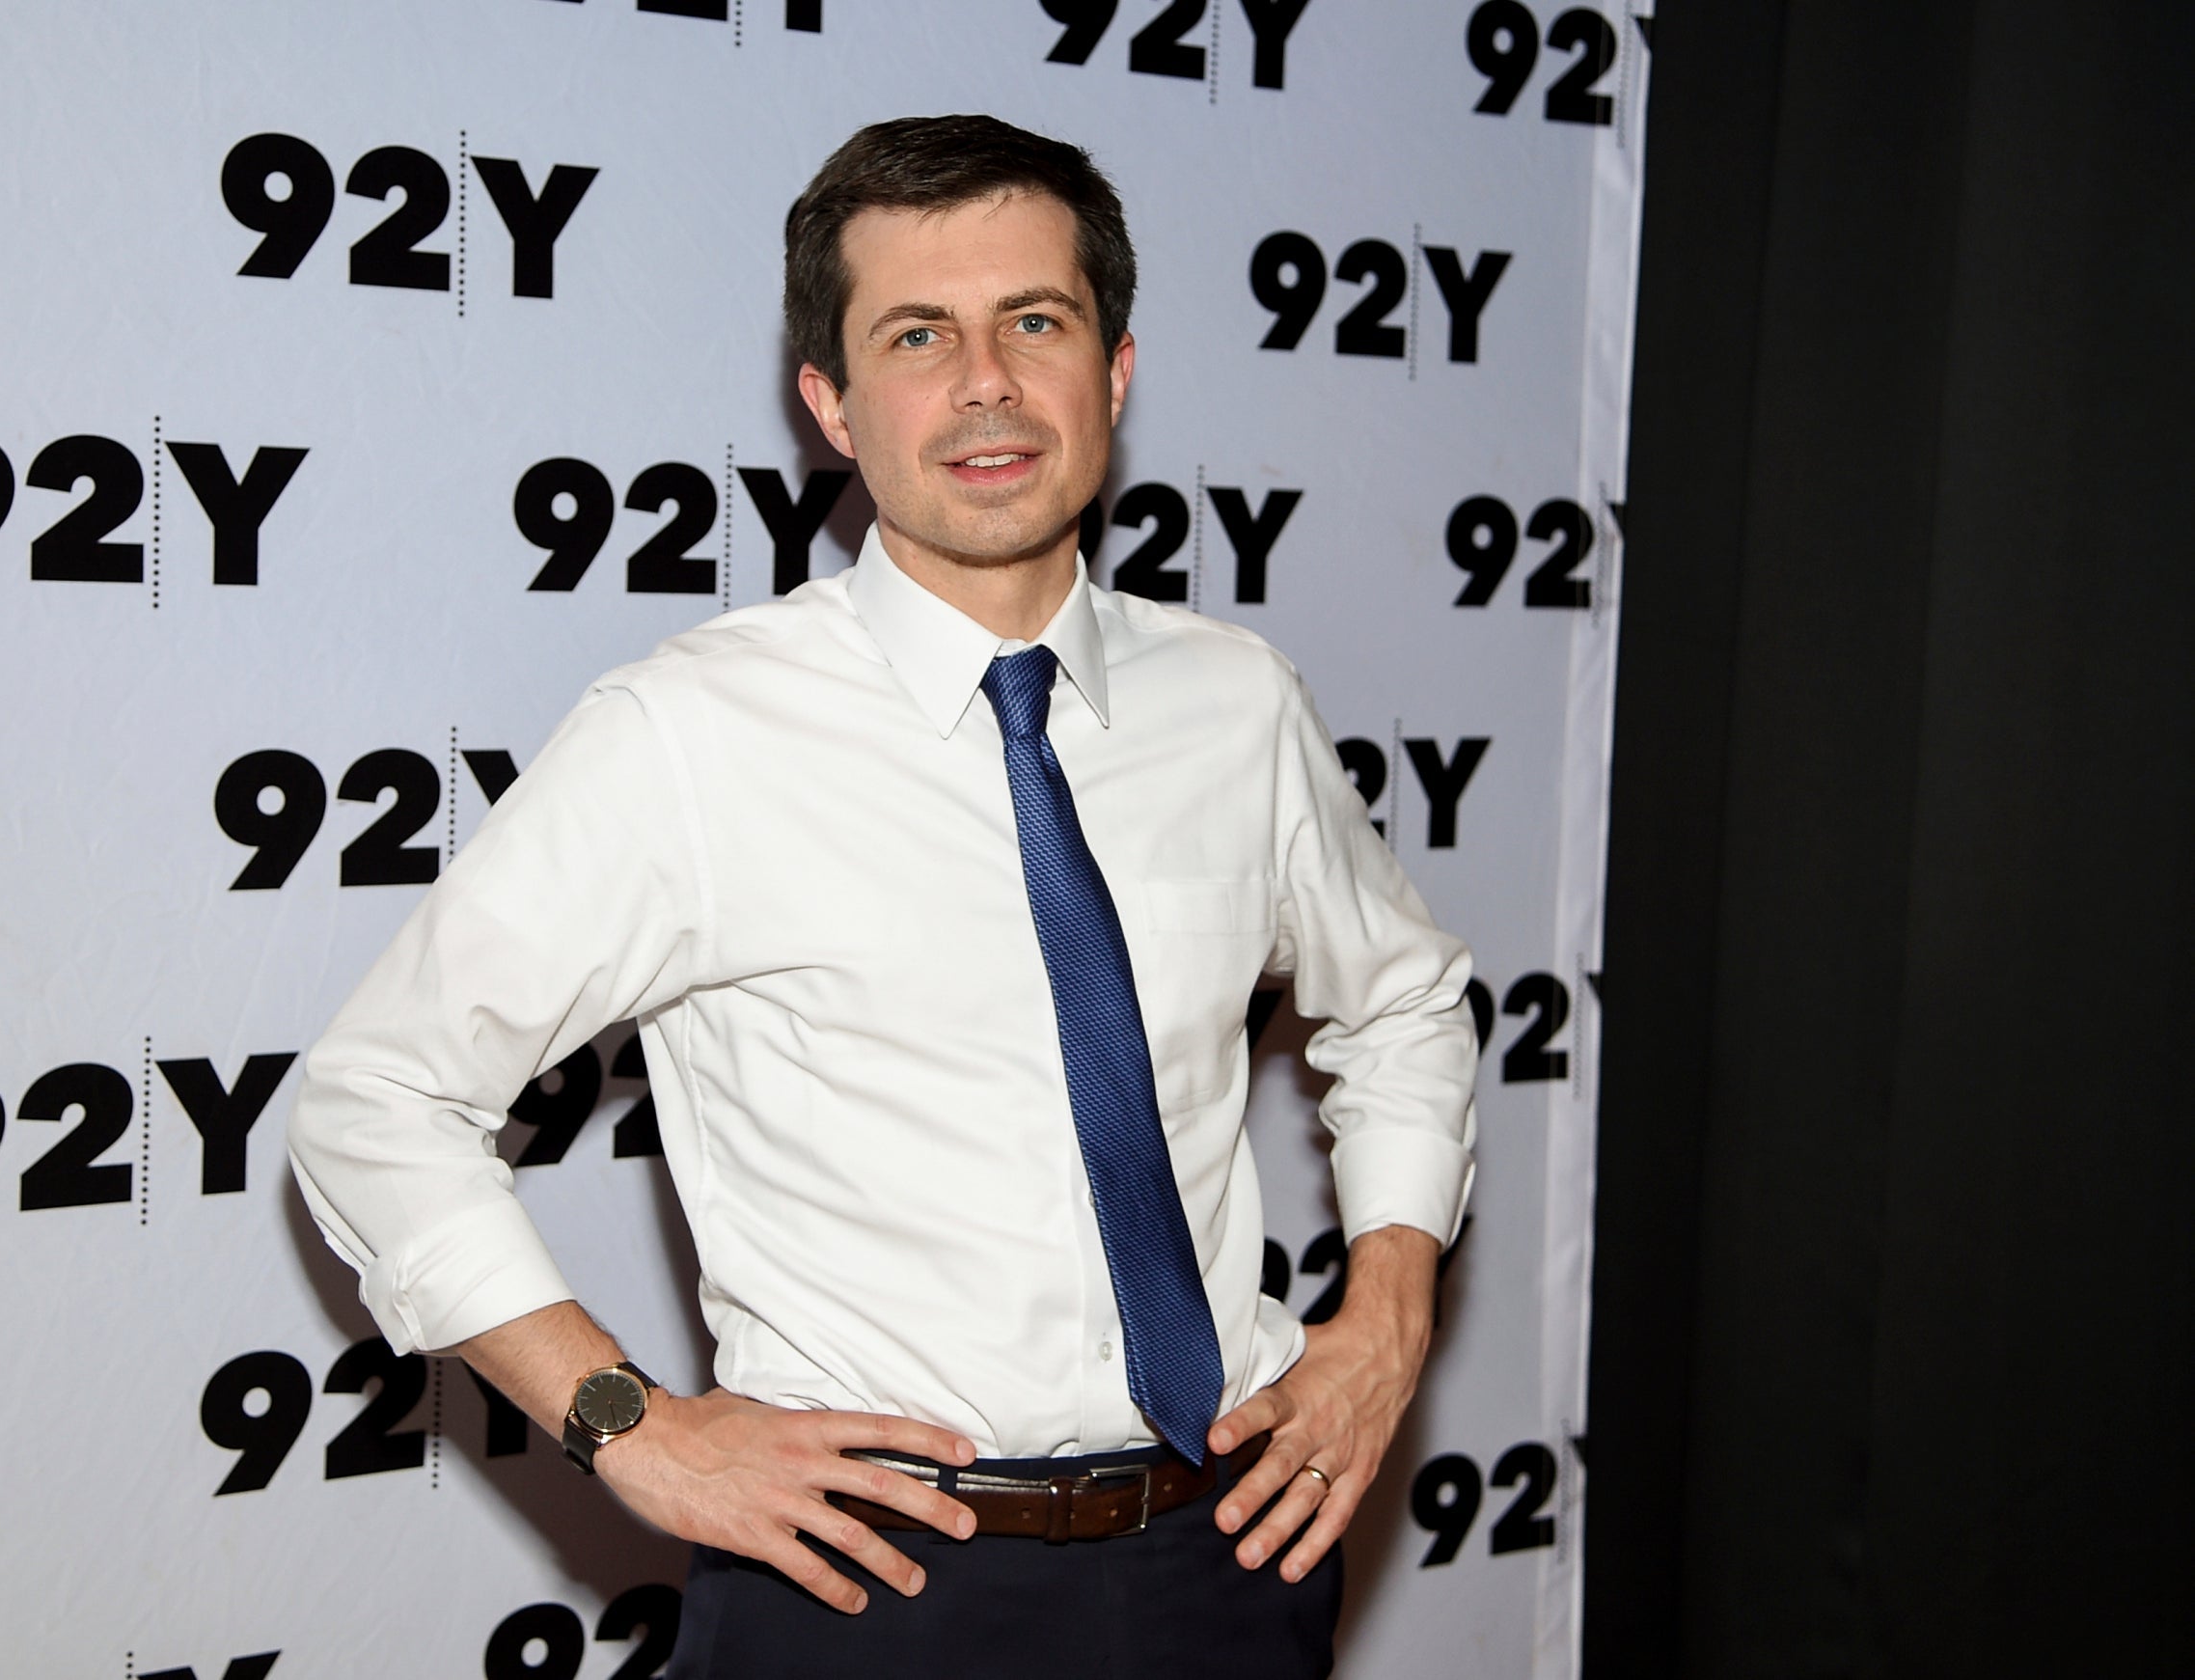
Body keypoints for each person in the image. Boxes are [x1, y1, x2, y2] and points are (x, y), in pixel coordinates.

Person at [286, 113, 1478, 1679]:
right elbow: (373, 1098)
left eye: (1033, 323)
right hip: (870, 1592)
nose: (986, 380)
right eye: (918, 335)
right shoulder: (688, 735)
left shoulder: (1235, 701)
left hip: (1234, 1556)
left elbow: (1401, 1000)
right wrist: (627, 1427)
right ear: (831, 405)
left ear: (1113, 372)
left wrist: (1388, 1309)